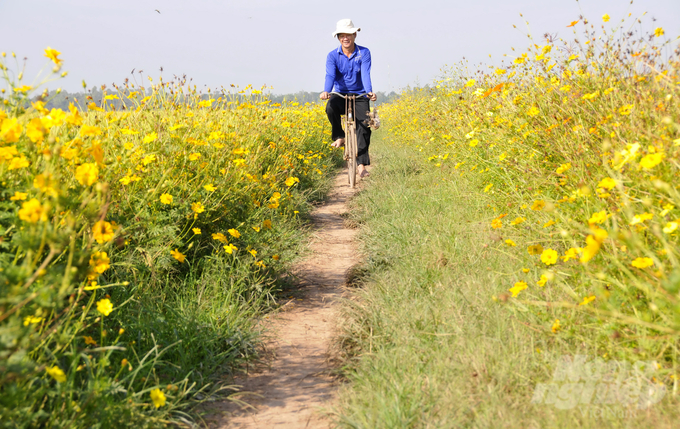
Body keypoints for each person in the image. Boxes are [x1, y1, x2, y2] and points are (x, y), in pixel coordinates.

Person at [320, 19, 377, 178]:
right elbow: (330, 75)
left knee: (364, 127)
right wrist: (326, 91)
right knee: (330, 107)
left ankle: (361, 166)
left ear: (355, 35)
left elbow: (366, 73)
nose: (346, 38)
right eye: (342, 35)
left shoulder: (364, 52)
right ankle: (340, 136)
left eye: (349, 35)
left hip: (359, 94)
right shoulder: (332, 55)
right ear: (338, 38)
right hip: (340, 94)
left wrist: (369, 91)